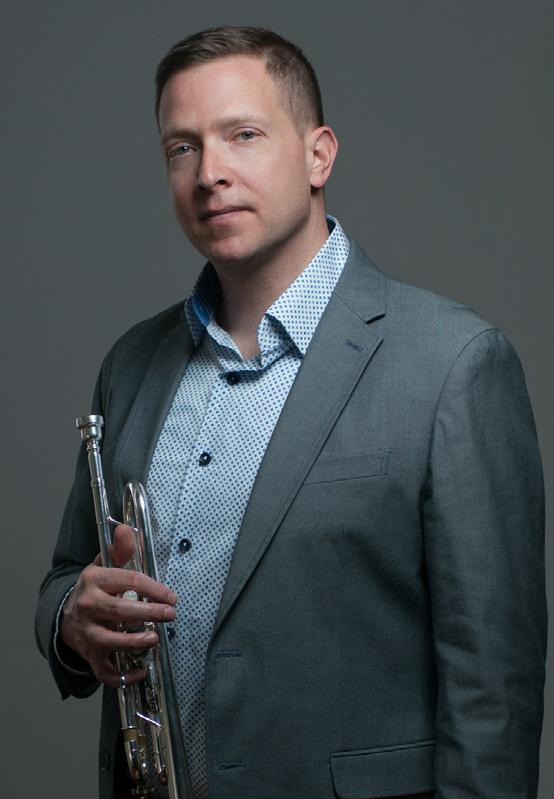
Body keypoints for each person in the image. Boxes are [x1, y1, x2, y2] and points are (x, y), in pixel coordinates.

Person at [35, 25, 546, 799]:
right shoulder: (131, 364)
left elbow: (493, 701)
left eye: (243, 135)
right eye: (182, 147)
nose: (210, 173)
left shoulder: (454, 365)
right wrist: (72, 618)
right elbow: (65, 578)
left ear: (318, 155)